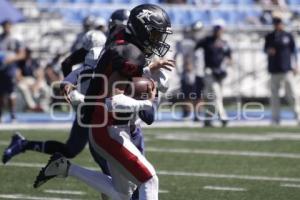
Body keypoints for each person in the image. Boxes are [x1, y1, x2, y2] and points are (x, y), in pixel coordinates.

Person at [33, 4, 173, 200]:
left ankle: (65, 168)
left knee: (123, 194)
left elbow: (118, 75)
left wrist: (147, 70)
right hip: (109, 128)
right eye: (156, 35)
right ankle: (65, 168)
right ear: (142, 29)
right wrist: (147, 103)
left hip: (105, 125)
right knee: (149, 180)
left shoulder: (125, 44)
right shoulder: (129, 51)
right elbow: (113, 101)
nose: (158, 41)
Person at [195, 19, 232, 127]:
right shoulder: (207, 40)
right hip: (209, 72)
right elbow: (196, 48)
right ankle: (223, 116)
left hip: (220, 72)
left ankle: (208, 119)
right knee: (216, 95)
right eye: (216, 28)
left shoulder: (224, 43)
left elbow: (229, 57)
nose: (217, 31)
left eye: (219, 28)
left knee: (213, 97)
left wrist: (225, 66)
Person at [264, 17, 300, 125]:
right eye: (275, 23)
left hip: (286, 69)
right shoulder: (269, 37)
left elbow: (294, 52)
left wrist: (296, 65)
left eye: (279, 23)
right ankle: (276, 119)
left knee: (292, 94)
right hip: (274, 70)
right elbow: (265, 49)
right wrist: (268, 50)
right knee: (274, 96)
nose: (277, 25)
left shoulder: (288, 36)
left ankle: (298, 115)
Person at [175, 21, 204, 121]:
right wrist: (188, 64)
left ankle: (198, 113)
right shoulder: (187, 42)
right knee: (188, 92)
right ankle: (187, 112)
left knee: (198, 93)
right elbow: (186, 55)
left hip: (200, 70)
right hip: (190, 71)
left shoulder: (201, 41)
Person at [0, 20, 26, 123]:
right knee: (1, 94)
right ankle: (1, 114)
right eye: (4, 26)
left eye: (8, 26)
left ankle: (13, 114)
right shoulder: (1, 38)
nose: (6, 28)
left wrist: (11, 59)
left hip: (10, 69)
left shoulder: (16, 39)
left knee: (11, 92)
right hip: (1, 69)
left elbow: (22, 54)